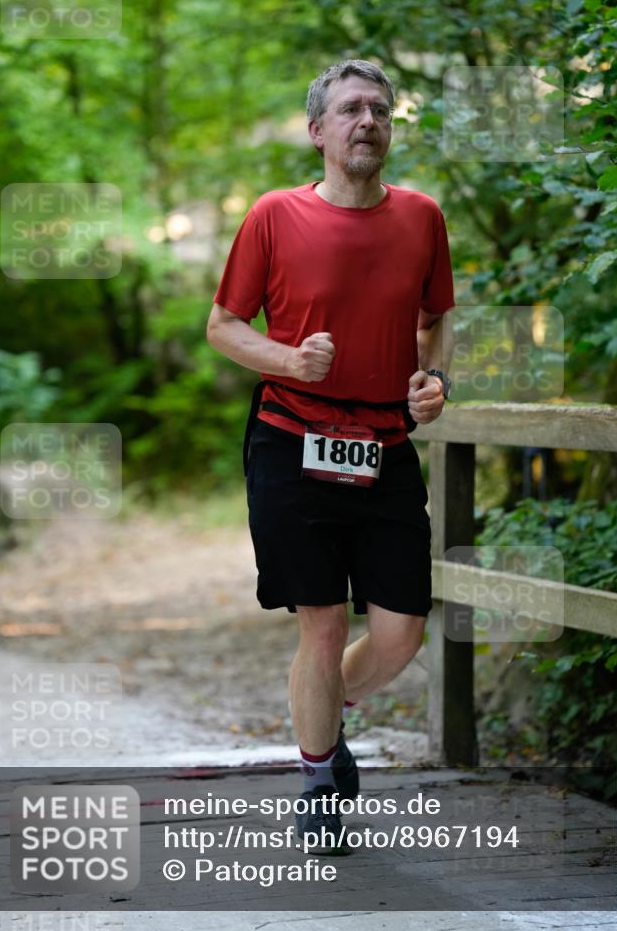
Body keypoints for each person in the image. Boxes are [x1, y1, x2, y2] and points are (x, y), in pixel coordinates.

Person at [207, 59, 455, 854]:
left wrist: (433, 381)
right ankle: (317, 783)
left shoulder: (422, 217)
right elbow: (223, 326)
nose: (367, 121)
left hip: (383, 445)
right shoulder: (273, 216)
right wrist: (286, 359)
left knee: (400, 632)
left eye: (379, 110)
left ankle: (321, 716)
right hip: (290, 439)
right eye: (350, 109)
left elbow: (433, 323)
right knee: (318, 623)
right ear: (318, 131)